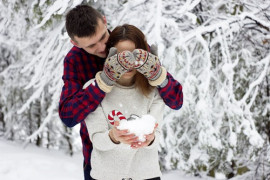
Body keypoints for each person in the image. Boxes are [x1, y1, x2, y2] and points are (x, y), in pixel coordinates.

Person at [59, 4, 183, 180]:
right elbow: (68, 116)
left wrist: (159, 77)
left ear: (104, 20)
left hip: (141, 165)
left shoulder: (127, 44)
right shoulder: (75, 61)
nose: (102, 47)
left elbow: (176, 101)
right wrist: (102, 85)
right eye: (91, 45)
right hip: (100, 161)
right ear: (75, 43)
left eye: (103, 37)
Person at [85, 24, 164, 180]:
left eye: (134, 55)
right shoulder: (93, 89)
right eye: (121, 56)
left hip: (146, 175)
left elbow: (157, 135)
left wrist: (150, 139)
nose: (128, 62)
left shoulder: (153, 90)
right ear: (110, 56)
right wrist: (114, 136)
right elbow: (97, 140)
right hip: (105, 176)